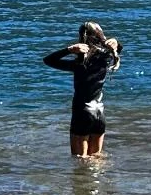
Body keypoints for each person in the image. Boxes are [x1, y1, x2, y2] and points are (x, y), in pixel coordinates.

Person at [43, 20, 122, 159]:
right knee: (97, 158)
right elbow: (117, 49)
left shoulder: (79, 64)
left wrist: (69, 50)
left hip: (83, 113)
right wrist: (116, 42)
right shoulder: (106, 58)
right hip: (99, 112)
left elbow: (48, 60)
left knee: (80, 160)